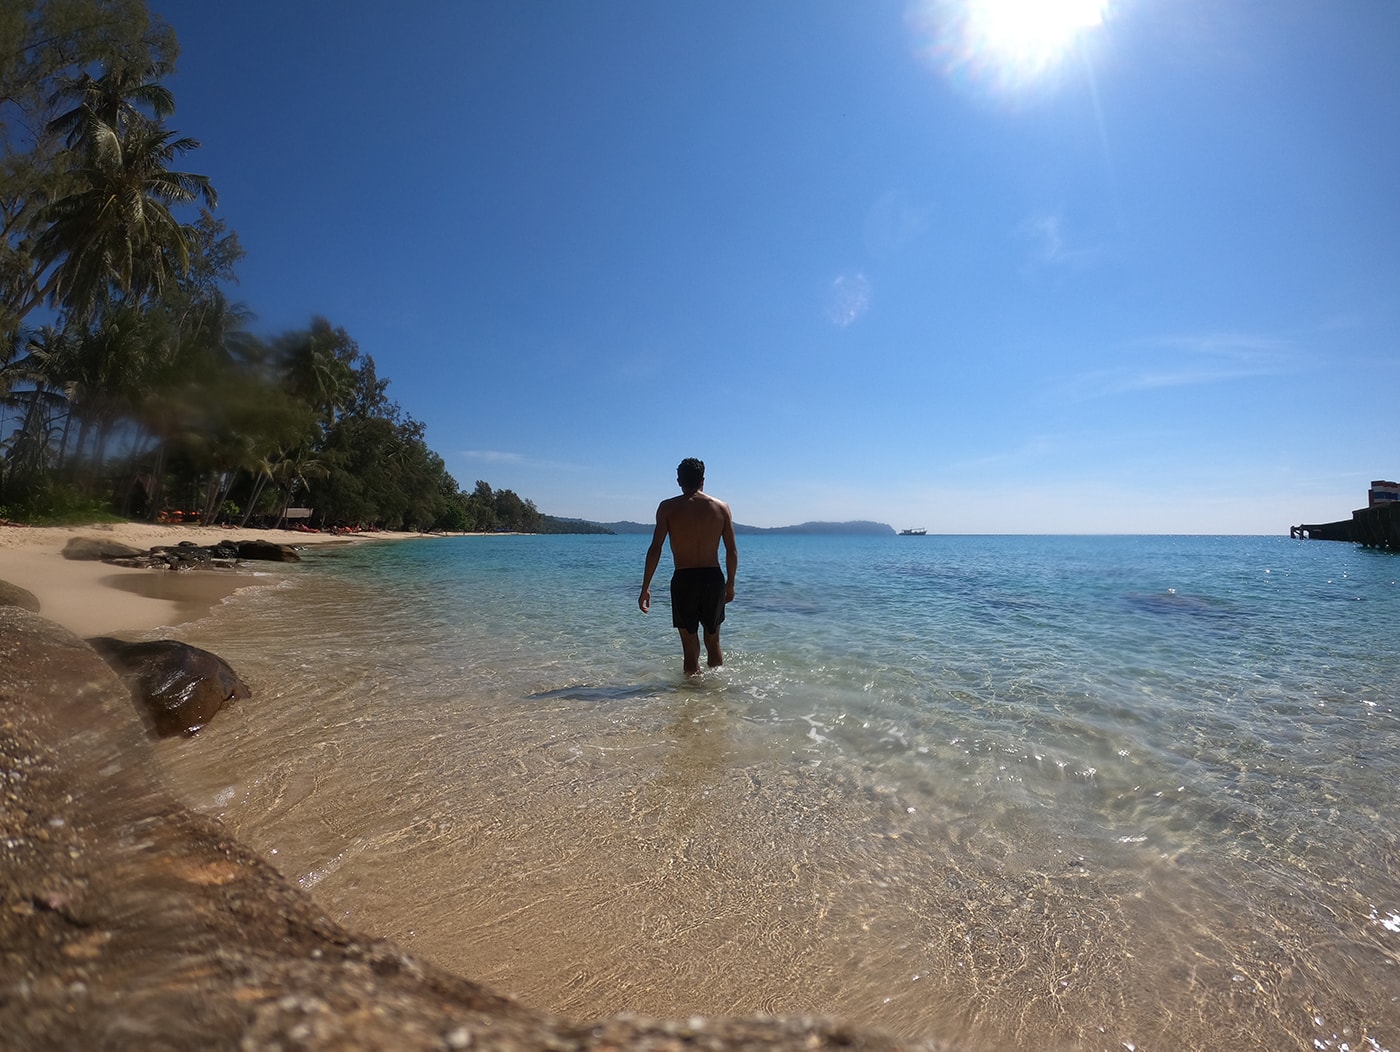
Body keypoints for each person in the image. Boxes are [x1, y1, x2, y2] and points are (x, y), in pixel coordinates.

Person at [639, 457, 738, 677]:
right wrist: (730, 584)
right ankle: (716, 696)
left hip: (684, 580)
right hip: (713, 579)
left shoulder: (668, 508)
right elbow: (731, 550)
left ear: (678, 481)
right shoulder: (721, 508)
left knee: (689, 647)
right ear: (703, 481)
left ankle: (690, 703)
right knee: (713, 641)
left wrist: (645, 586)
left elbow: (656, 549)